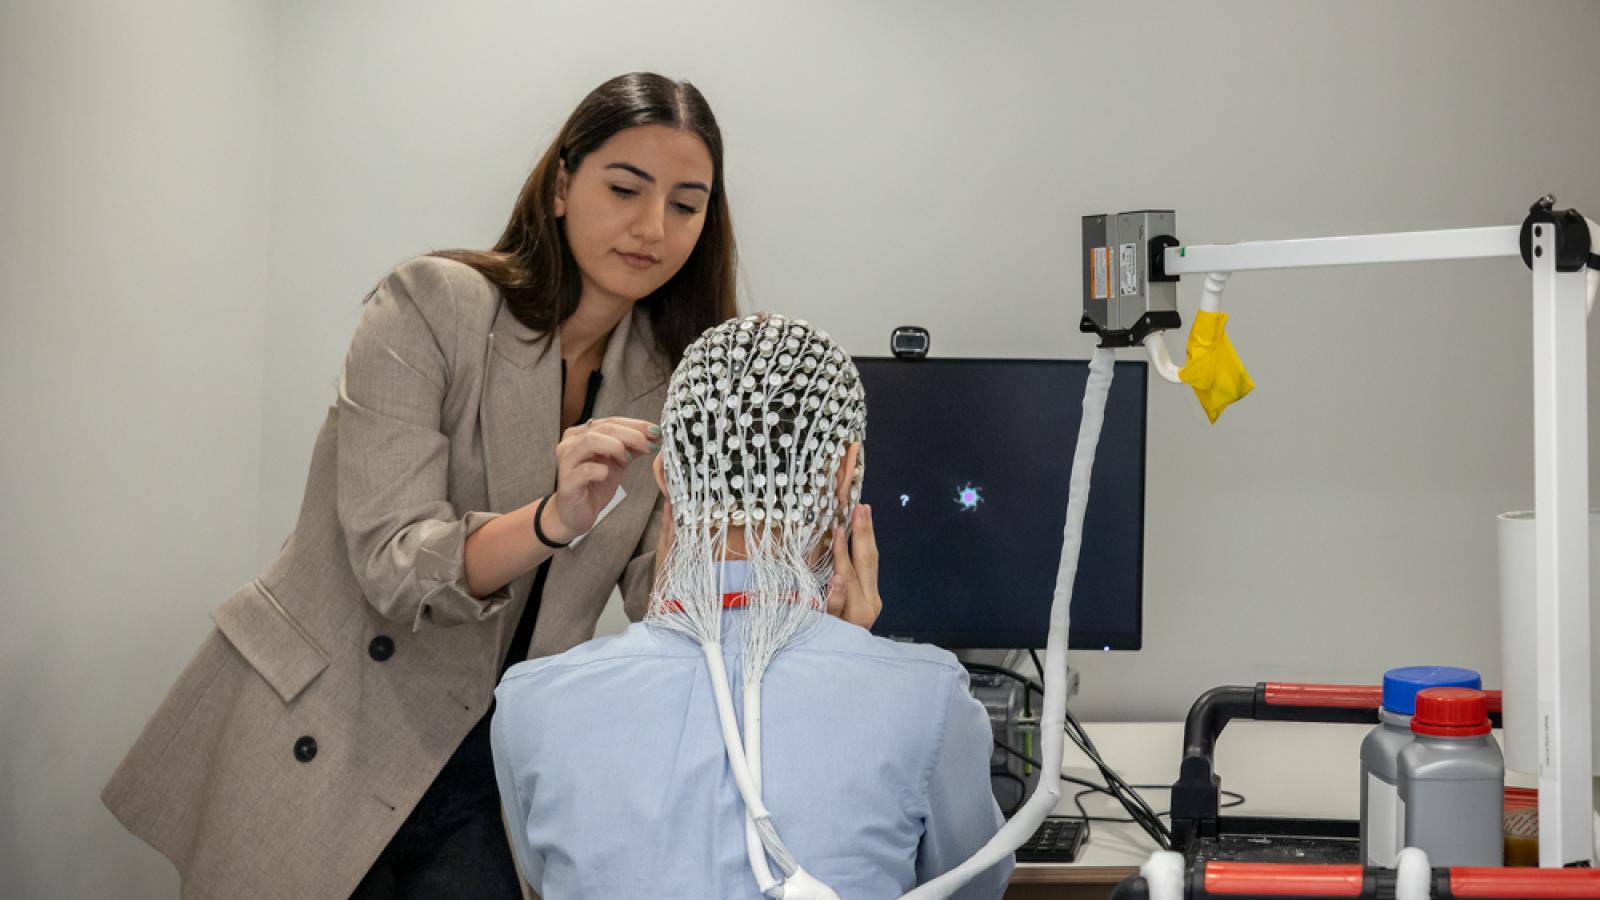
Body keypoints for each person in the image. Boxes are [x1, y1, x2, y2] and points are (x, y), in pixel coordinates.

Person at [102, 72, 743, 899]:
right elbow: (394, 563)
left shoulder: (674, 383)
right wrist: (550, 520)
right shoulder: (433, 306)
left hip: (493, 767)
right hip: (337, 721)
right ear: (560, 186)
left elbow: (666, 600)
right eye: (625, 188)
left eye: (687, 205)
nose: (654, 227)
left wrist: (765, 516)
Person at [491, 314, 1012, 900]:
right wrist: (852, 654)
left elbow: (547, 881)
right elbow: (973, 887)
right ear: (845, 472)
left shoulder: (531, 703)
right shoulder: (928, 698)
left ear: (666, 476)